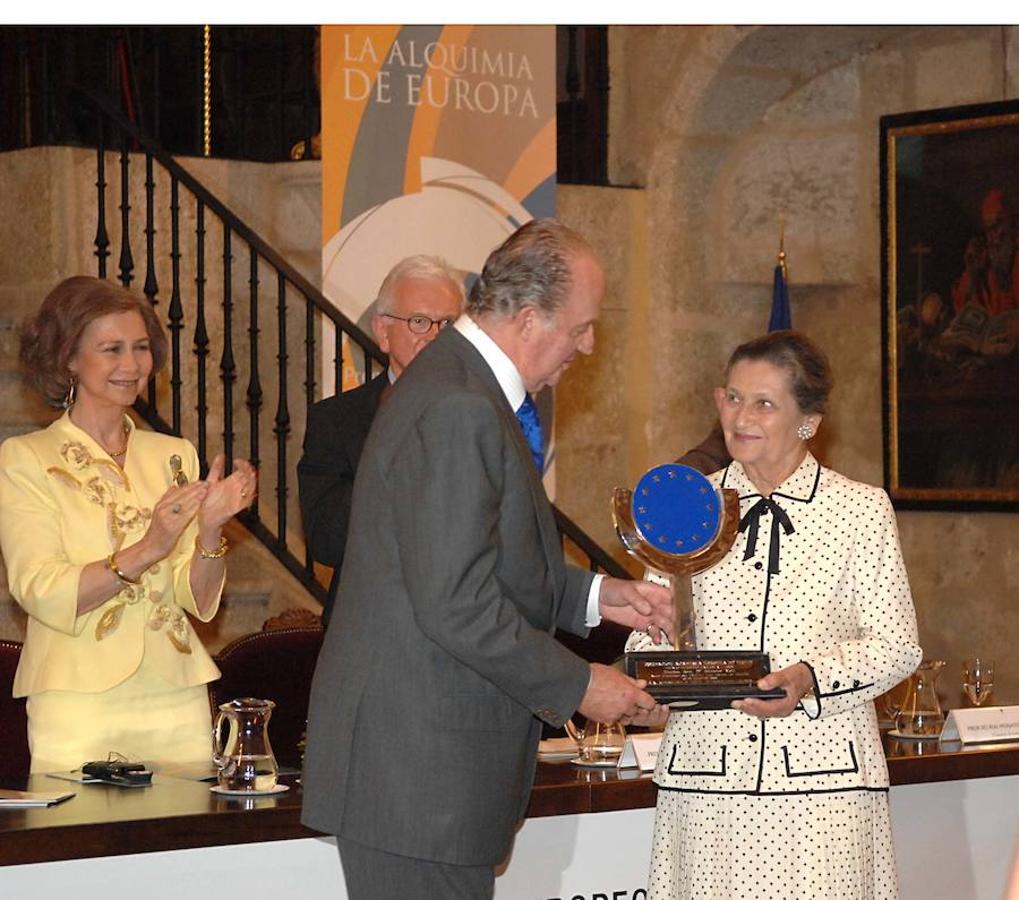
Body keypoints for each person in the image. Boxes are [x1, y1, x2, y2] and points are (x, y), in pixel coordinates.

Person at [301, 219, 673, 899]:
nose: (588, 346)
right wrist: (578, 685)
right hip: (416, 776)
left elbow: (472, 557)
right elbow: (455, 601)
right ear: (530, 318)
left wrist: (594, 597)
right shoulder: (457, 405)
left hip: (424, 776)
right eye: (582, 326)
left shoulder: (463, 387)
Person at [628, 330, 922, 899]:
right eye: (732, 397)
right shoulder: (685, 504)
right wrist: (662, 675)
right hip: (706, 789)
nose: (742, 416)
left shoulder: (860, 510)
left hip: (824, 794)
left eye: (764, 402)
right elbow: (649, 639)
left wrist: (808, 679)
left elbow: (896, 645)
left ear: (807, 420)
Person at [0, 276, 257, 773]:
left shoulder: (173, 454)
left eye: (140, 348)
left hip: (175, 695)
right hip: (78, 701)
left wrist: (210, 530)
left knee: (184, 847)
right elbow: (39, 589)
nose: (132, 364)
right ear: (68, 358)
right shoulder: (25, 458)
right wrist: (150, 547)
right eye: (112, 348)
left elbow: (198, 604)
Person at [297, 255, 464, 625]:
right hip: (372, 635)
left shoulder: (488, 415)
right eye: (420, 322)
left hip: (465, 635)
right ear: (383, 332)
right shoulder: (337, 421)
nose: (435, 336)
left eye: (449, 323)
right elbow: (326, 540)